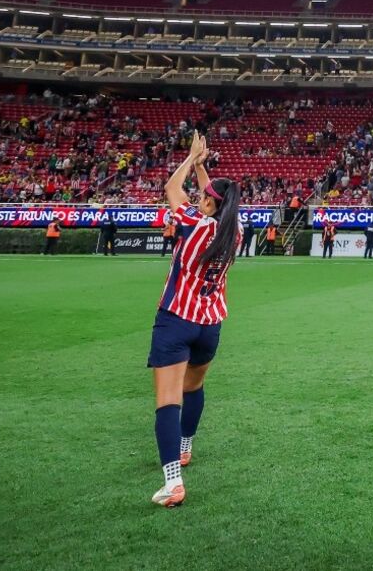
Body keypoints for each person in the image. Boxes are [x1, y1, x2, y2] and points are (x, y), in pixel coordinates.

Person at [145, 132, 241, 508]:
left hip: (176, 319)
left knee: (167, 400)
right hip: (210, 324)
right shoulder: (233, 231)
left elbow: (171, 187)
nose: (199, 199)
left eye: (204, 198)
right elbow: (214, 199)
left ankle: (173, 482)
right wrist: (204, 168)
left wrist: (189, 159)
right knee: (194, 388)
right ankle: (186, 446)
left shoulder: (193, 223)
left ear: (207, 204)